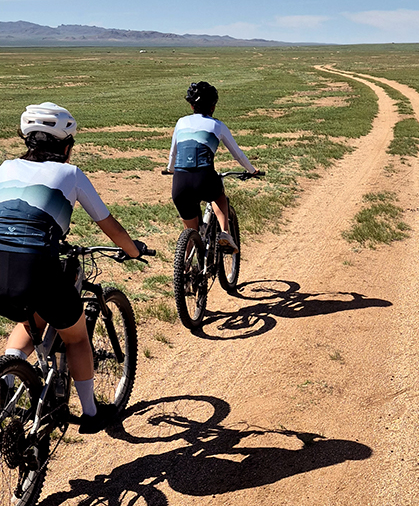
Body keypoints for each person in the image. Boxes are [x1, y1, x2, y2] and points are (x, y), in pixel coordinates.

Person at [0, 103, 145, 434]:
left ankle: (6, 381)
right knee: (77, 338)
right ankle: (92, 414)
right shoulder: (70, 174)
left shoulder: (5, 167)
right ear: (66, 146)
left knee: (29, 317)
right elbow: (110, 225)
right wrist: (133, 251)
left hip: (1, 267)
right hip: (37, 270)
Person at [167, 81, 259, 254]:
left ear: (192, 105)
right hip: (204, 177)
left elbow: (173, 153)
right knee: (218, 197)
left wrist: (170, 169)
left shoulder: (180, 122)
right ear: (212, 106)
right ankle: (225, 234)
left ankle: (184, 271)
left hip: (180, 180)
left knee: (190, 231)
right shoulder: (217, 125)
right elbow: (237, 154)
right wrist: (252, 170)